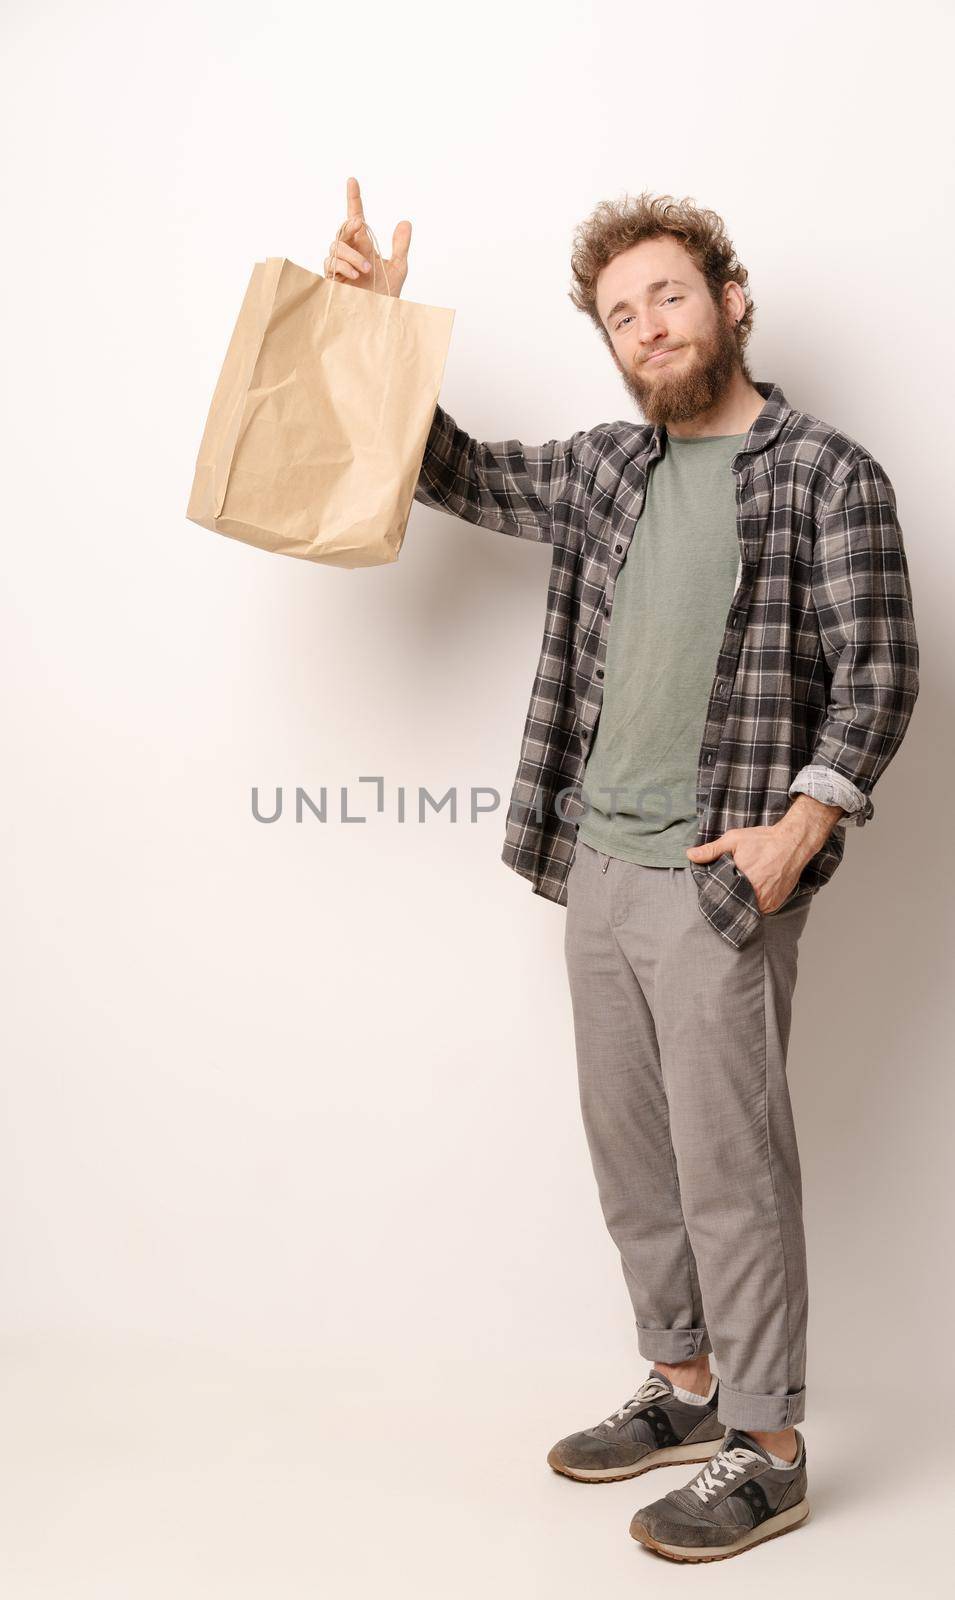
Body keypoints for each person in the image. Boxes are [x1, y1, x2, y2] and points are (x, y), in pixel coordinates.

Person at [324, 178, 920, 1563]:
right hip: (597, 863)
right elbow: (453, 467)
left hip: (724, 879)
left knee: (732, 1168)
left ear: (729, 300)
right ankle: (685, 1386)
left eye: (669, 293)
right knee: (634, 1159)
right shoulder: (605, 467)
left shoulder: (827, 473)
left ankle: (768, 1449)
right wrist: (376, 331)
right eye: (619, 312)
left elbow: (881, 673)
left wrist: (800, 826)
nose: (647, 324)